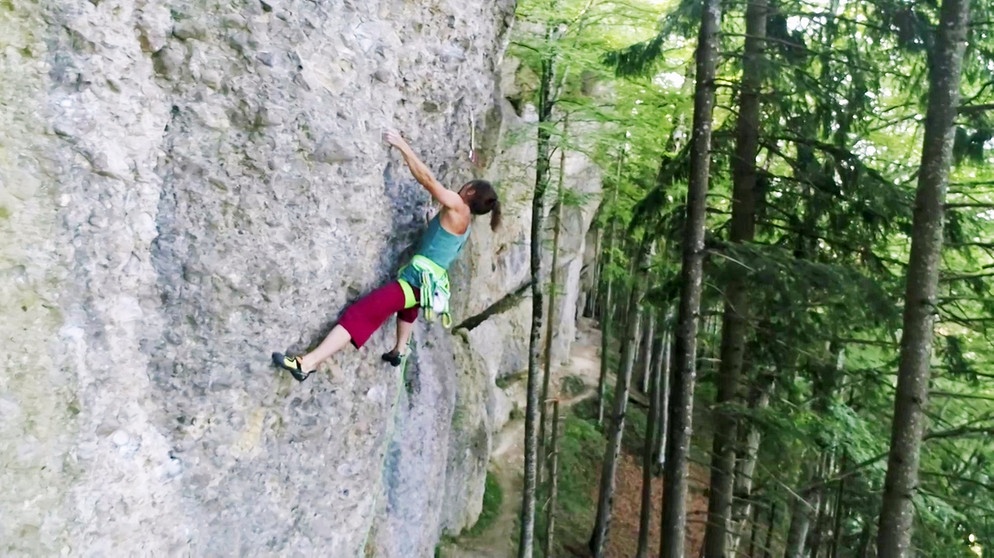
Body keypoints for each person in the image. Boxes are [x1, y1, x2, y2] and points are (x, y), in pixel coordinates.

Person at [272, 130, 502, 382]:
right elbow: (439, 247)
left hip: (415, 284)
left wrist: (403, 146)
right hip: (424, 285)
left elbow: (428, 180)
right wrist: (430, 223)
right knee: (408, 307)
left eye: (464, 188)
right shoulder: (465, 224)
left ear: (469, 193)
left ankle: (307, 363)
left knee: (361, 314)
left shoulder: (458, 205)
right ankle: (399, 350)